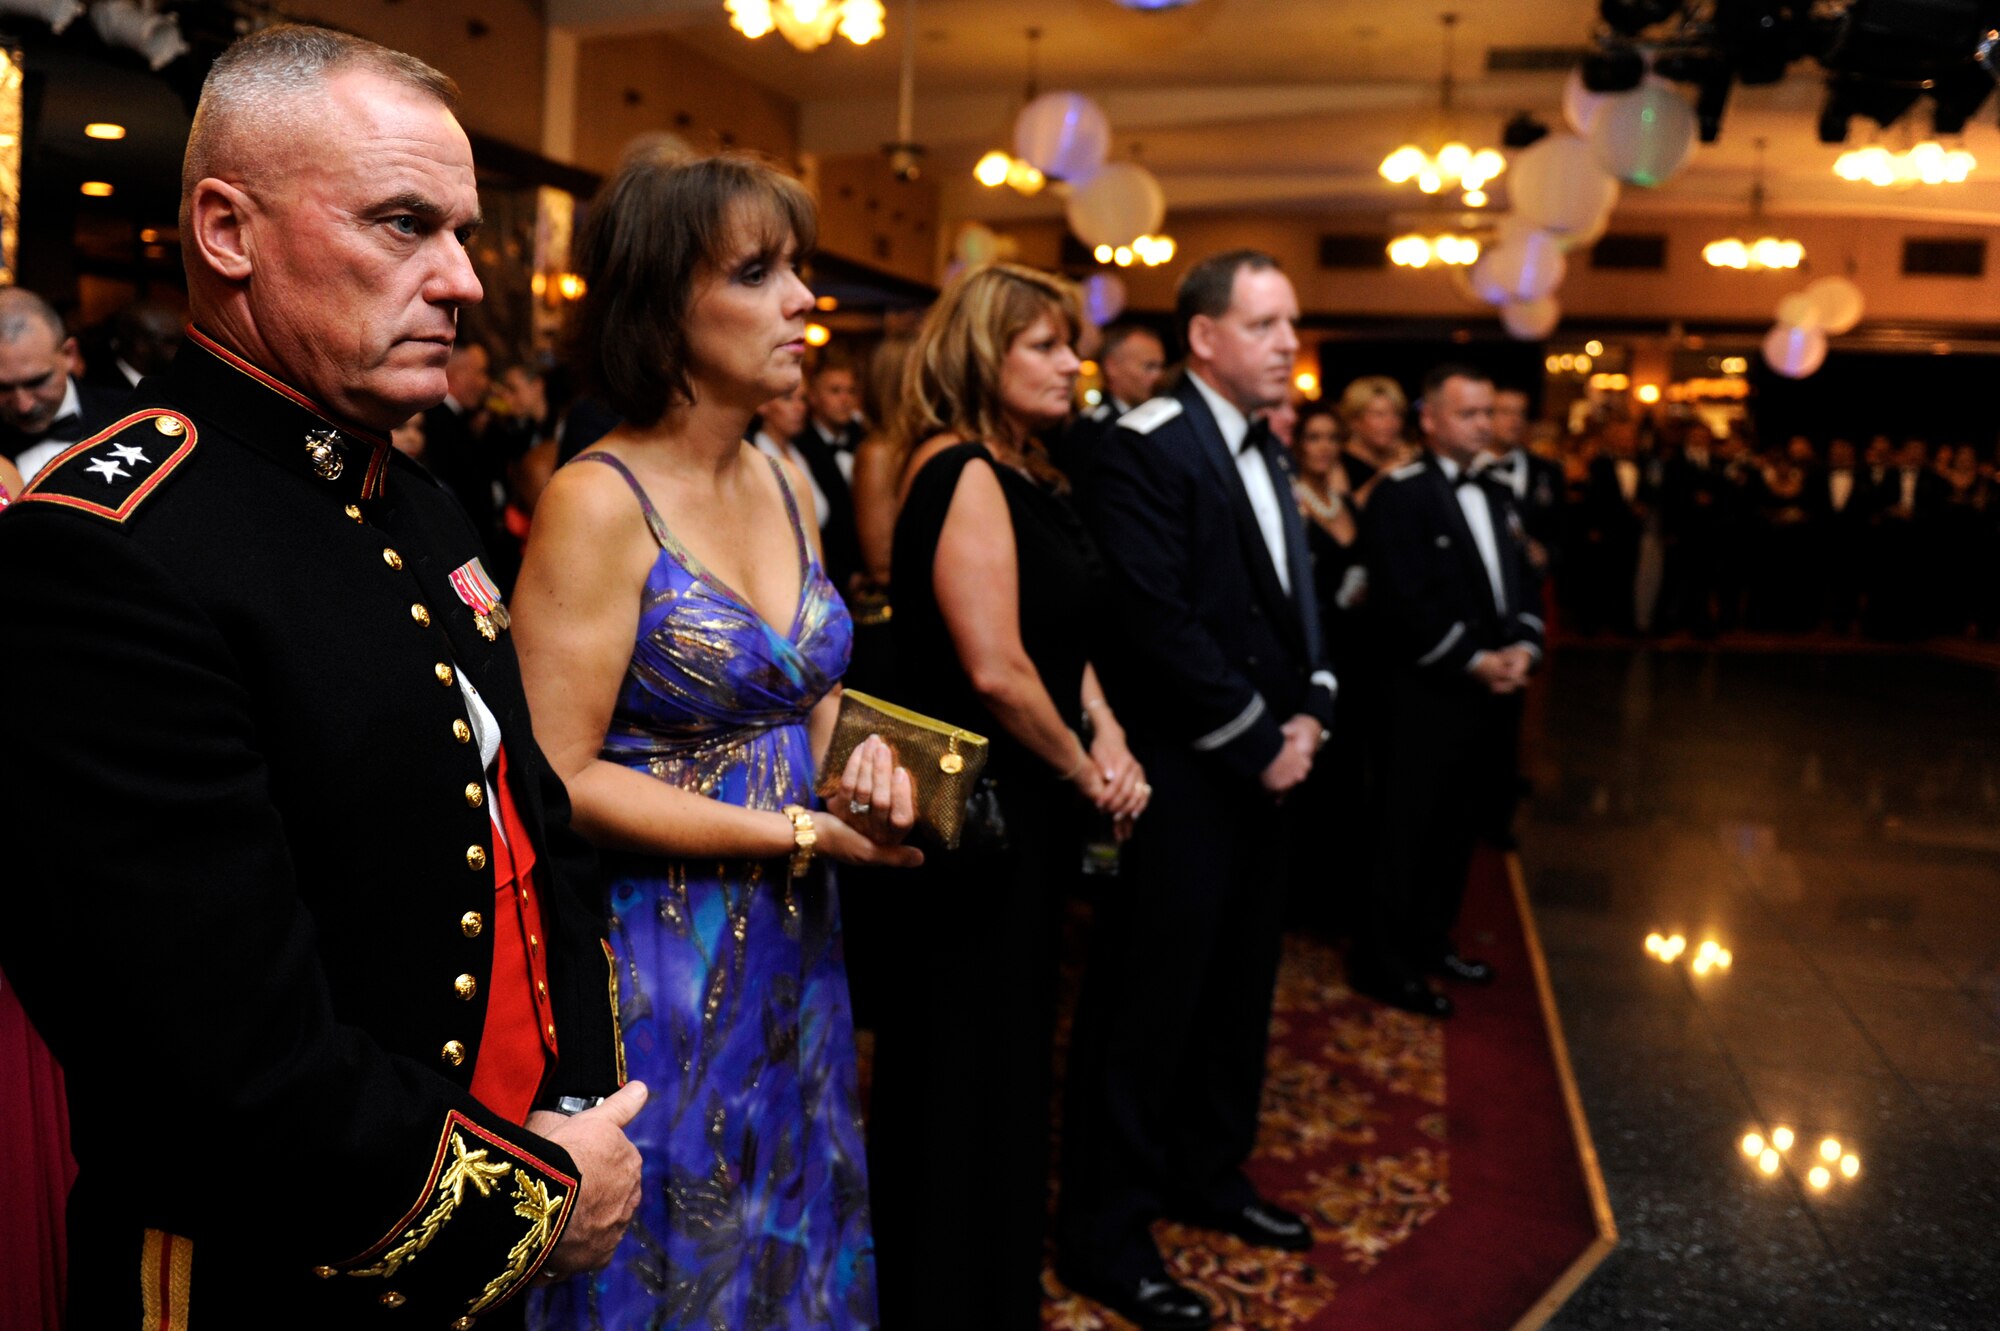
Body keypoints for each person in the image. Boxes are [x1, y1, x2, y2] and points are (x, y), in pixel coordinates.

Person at [0, 26, 644, 1328]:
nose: (462, 279)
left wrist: (573, 1101)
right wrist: (536, 1194)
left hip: (477, 1233)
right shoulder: (104, 547)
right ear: (227, 231)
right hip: (266, 1271)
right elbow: (222, 1062)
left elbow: (531, 836)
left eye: (461, 231)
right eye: (405, 224)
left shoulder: (418, 496)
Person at [514, 151, 920, 1331]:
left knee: (784, 1227)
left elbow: (804, 692)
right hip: (660, 963)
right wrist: (794, 828)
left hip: (798, 944)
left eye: (796, 267)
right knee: (676, 1256)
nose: (804, 298)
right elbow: (557, 775)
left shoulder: (784, 473)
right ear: (661, 307)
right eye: (759, 271)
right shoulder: (598, 499)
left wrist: (873, 768)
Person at [865, 264, 1148, 1331]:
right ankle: (942, 1290)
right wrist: (1086, 771)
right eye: (1043, 344)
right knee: (963, 1057)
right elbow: (993, 666)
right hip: (973, 815)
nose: (1070, 361)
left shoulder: (1025, 470)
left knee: (1009, 1047)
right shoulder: (959, 468)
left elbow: (1059, 644)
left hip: (1026, 801)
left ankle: (987, 1277)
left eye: (1068, 343)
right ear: (980, 353)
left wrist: (1108, 730)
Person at [1058, 249, 1337, 1331]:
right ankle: (1103, 1230)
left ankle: (1205, 1174)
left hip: (1267, 765)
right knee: (1145, 1007)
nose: (1285, 343)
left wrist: (1311, 705)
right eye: (1265, 324)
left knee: (1237, 991)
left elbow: (1293, 596)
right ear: (1204, 337)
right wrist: (1256, 736)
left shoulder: (1262, 443)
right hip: (1180, 776)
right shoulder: (1141, 444)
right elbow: (1152, 619)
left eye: (1292, 323)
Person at [1352, 364, 1544, 1018]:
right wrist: (1474, 658)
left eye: (1489, 413)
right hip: (1423, 696)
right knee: (1404, 830)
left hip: (1488, 696)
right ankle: (1385, 961)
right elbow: (1401, 602)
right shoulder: (1399, 494)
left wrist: (1524, 644)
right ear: (1429, 418)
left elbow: (1518, 580)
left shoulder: (1493, 491)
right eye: (1469, 414)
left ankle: (1432, 940)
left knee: (1458, 826)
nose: (1485, 425)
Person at [0, 288, 126, 482]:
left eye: (37, 382)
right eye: (3, 388)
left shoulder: (128, 414)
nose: (24, 406)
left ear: (69, 355)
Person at [1051, 322, 1167, 491]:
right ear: (1112, 367)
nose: (1158, 377)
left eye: (1161, 367)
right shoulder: (1092, 428)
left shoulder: (1160, 421)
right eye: (1149, 367)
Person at [1336, 373, 1411, 497]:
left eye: (1397, 414)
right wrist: (1383, 477)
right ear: (1354, 420)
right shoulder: (1338, 464)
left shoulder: (1404, 457)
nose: (1390, 423)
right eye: (1379, 414)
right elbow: (1343, 512)